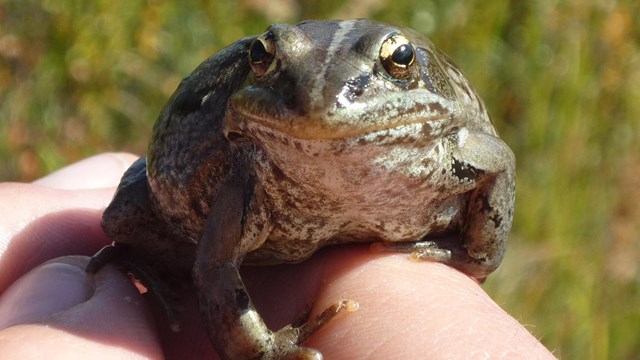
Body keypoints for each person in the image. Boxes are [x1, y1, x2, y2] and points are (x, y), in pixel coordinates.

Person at [0, 153, 555, 359]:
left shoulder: (438, 145)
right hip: (190, 205)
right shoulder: (250, 168)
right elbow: (214, 263)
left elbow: (496, 162)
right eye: (272, 63)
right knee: (123, 213)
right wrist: (261, 350)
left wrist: (475, 254)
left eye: (398, 63)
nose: (326, 96)